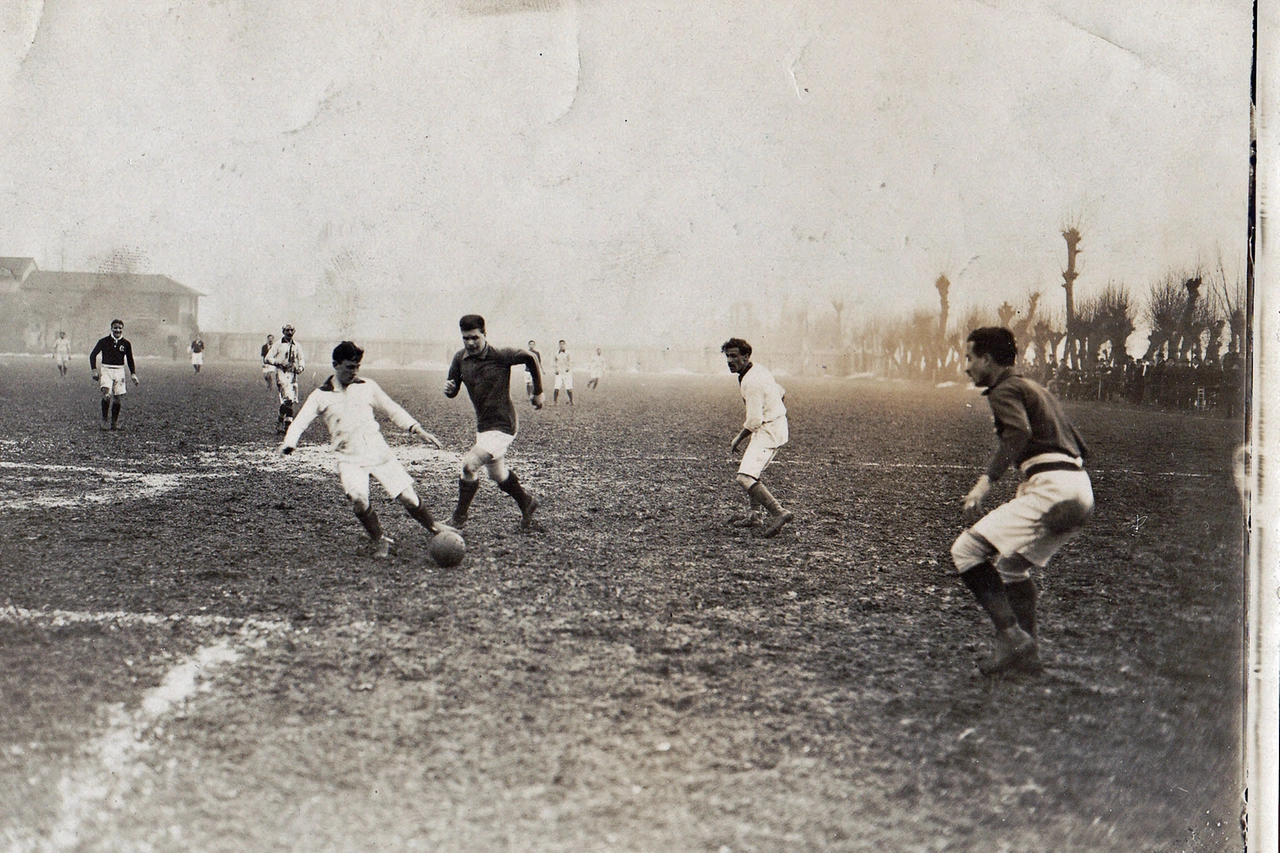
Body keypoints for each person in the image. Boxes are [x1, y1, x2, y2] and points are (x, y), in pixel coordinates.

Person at [951, 327, 1094, 675]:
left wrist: (984, 484)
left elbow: (1018, 433)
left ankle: (1012, 639)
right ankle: (1027, 656)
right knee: (1013, 568)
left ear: (987, 359)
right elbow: (1081, 446)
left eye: (970, 358)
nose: (966, 367)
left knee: (965, 552)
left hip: (1051, 488)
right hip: (1079, 488)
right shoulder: (1035, 388)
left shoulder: (1004, 388)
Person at [279, 341, 449, 558]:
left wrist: (417, 429)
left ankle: (434, 527)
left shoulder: (367, 386)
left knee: (409, 499)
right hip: (348, 459)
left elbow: (392, 409)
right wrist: (289, 442)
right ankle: (380, 539)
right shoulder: (320, 395)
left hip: (378, 452)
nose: (355, 371)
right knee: (359, 500)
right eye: (350, 367)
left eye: (358, 366)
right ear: (336, 365)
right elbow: (301, 421)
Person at [444, 315, 543, 530]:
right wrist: (450, 390)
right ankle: (527, 503)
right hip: (484, 428)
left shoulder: (500, 355)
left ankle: (458, 519)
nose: (470, 343)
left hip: (504, 426)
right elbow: (453, 388)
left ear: (484, 335)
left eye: (474, 338)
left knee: (469, 466)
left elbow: (531, 357)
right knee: (497, 475)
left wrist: (538, 393)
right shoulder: (460, 359)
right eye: (465, 338)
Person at [722, 338, 792, 538]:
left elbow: (753, 421)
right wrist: (775, 408)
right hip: (774, 426)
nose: (729, 360)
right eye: (727, 356)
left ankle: (779, 512)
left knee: (744, 477)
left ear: (746, 357)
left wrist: (737, 439)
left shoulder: (752, 381)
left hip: (767, 430)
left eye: (734, 356)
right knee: (751, 471)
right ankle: (754, 515)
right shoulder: (757, 370)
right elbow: (780, 391)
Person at [89, 319, 139, 431]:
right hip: (106, 369)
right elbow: (92, 355)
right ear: (111, 328)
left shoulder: (126, 344)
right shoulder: (104, 341)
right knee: (107, 394)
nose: (117, 330)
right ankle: (104, 420)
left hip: (119, 370)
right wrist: (94, 370)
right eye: (115, 328)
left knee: (117, 398)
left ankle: (114, 422)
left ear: (122, 329)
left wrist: (133, 374)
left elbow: (130, 359)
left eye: (120, 328)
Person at [266, 325, 306, 433]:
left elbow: (301, 358)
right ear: (283, 332)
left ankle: (285, 424)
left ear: (294, 331)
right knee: (288, 399)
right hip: (281, 374)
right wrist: (278, 362)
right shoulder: (278, 345)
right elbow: (268, 358)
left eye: (292, 330)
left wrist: (301, 367)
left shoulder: (297, 345)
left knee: (291, 401)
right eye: (287, 330)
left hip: (292, 375)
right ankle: (283, 424)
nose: (289, 332)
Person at [553, 339, 573, 405]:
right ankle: (555, 402)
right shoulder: (556, 353)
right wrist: (555, 370)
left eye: (563, 344)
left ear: (565, 345)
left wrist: (568, 368)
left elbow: (571, 362)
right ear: (559, 345)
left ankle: (571, 401)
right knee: (556, 387)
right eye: (560, 344)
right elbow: (554, 362)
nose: (561, 345)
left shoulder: (568, 353)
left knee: (568, 387)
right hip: (559, 373)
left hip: (566, 373)